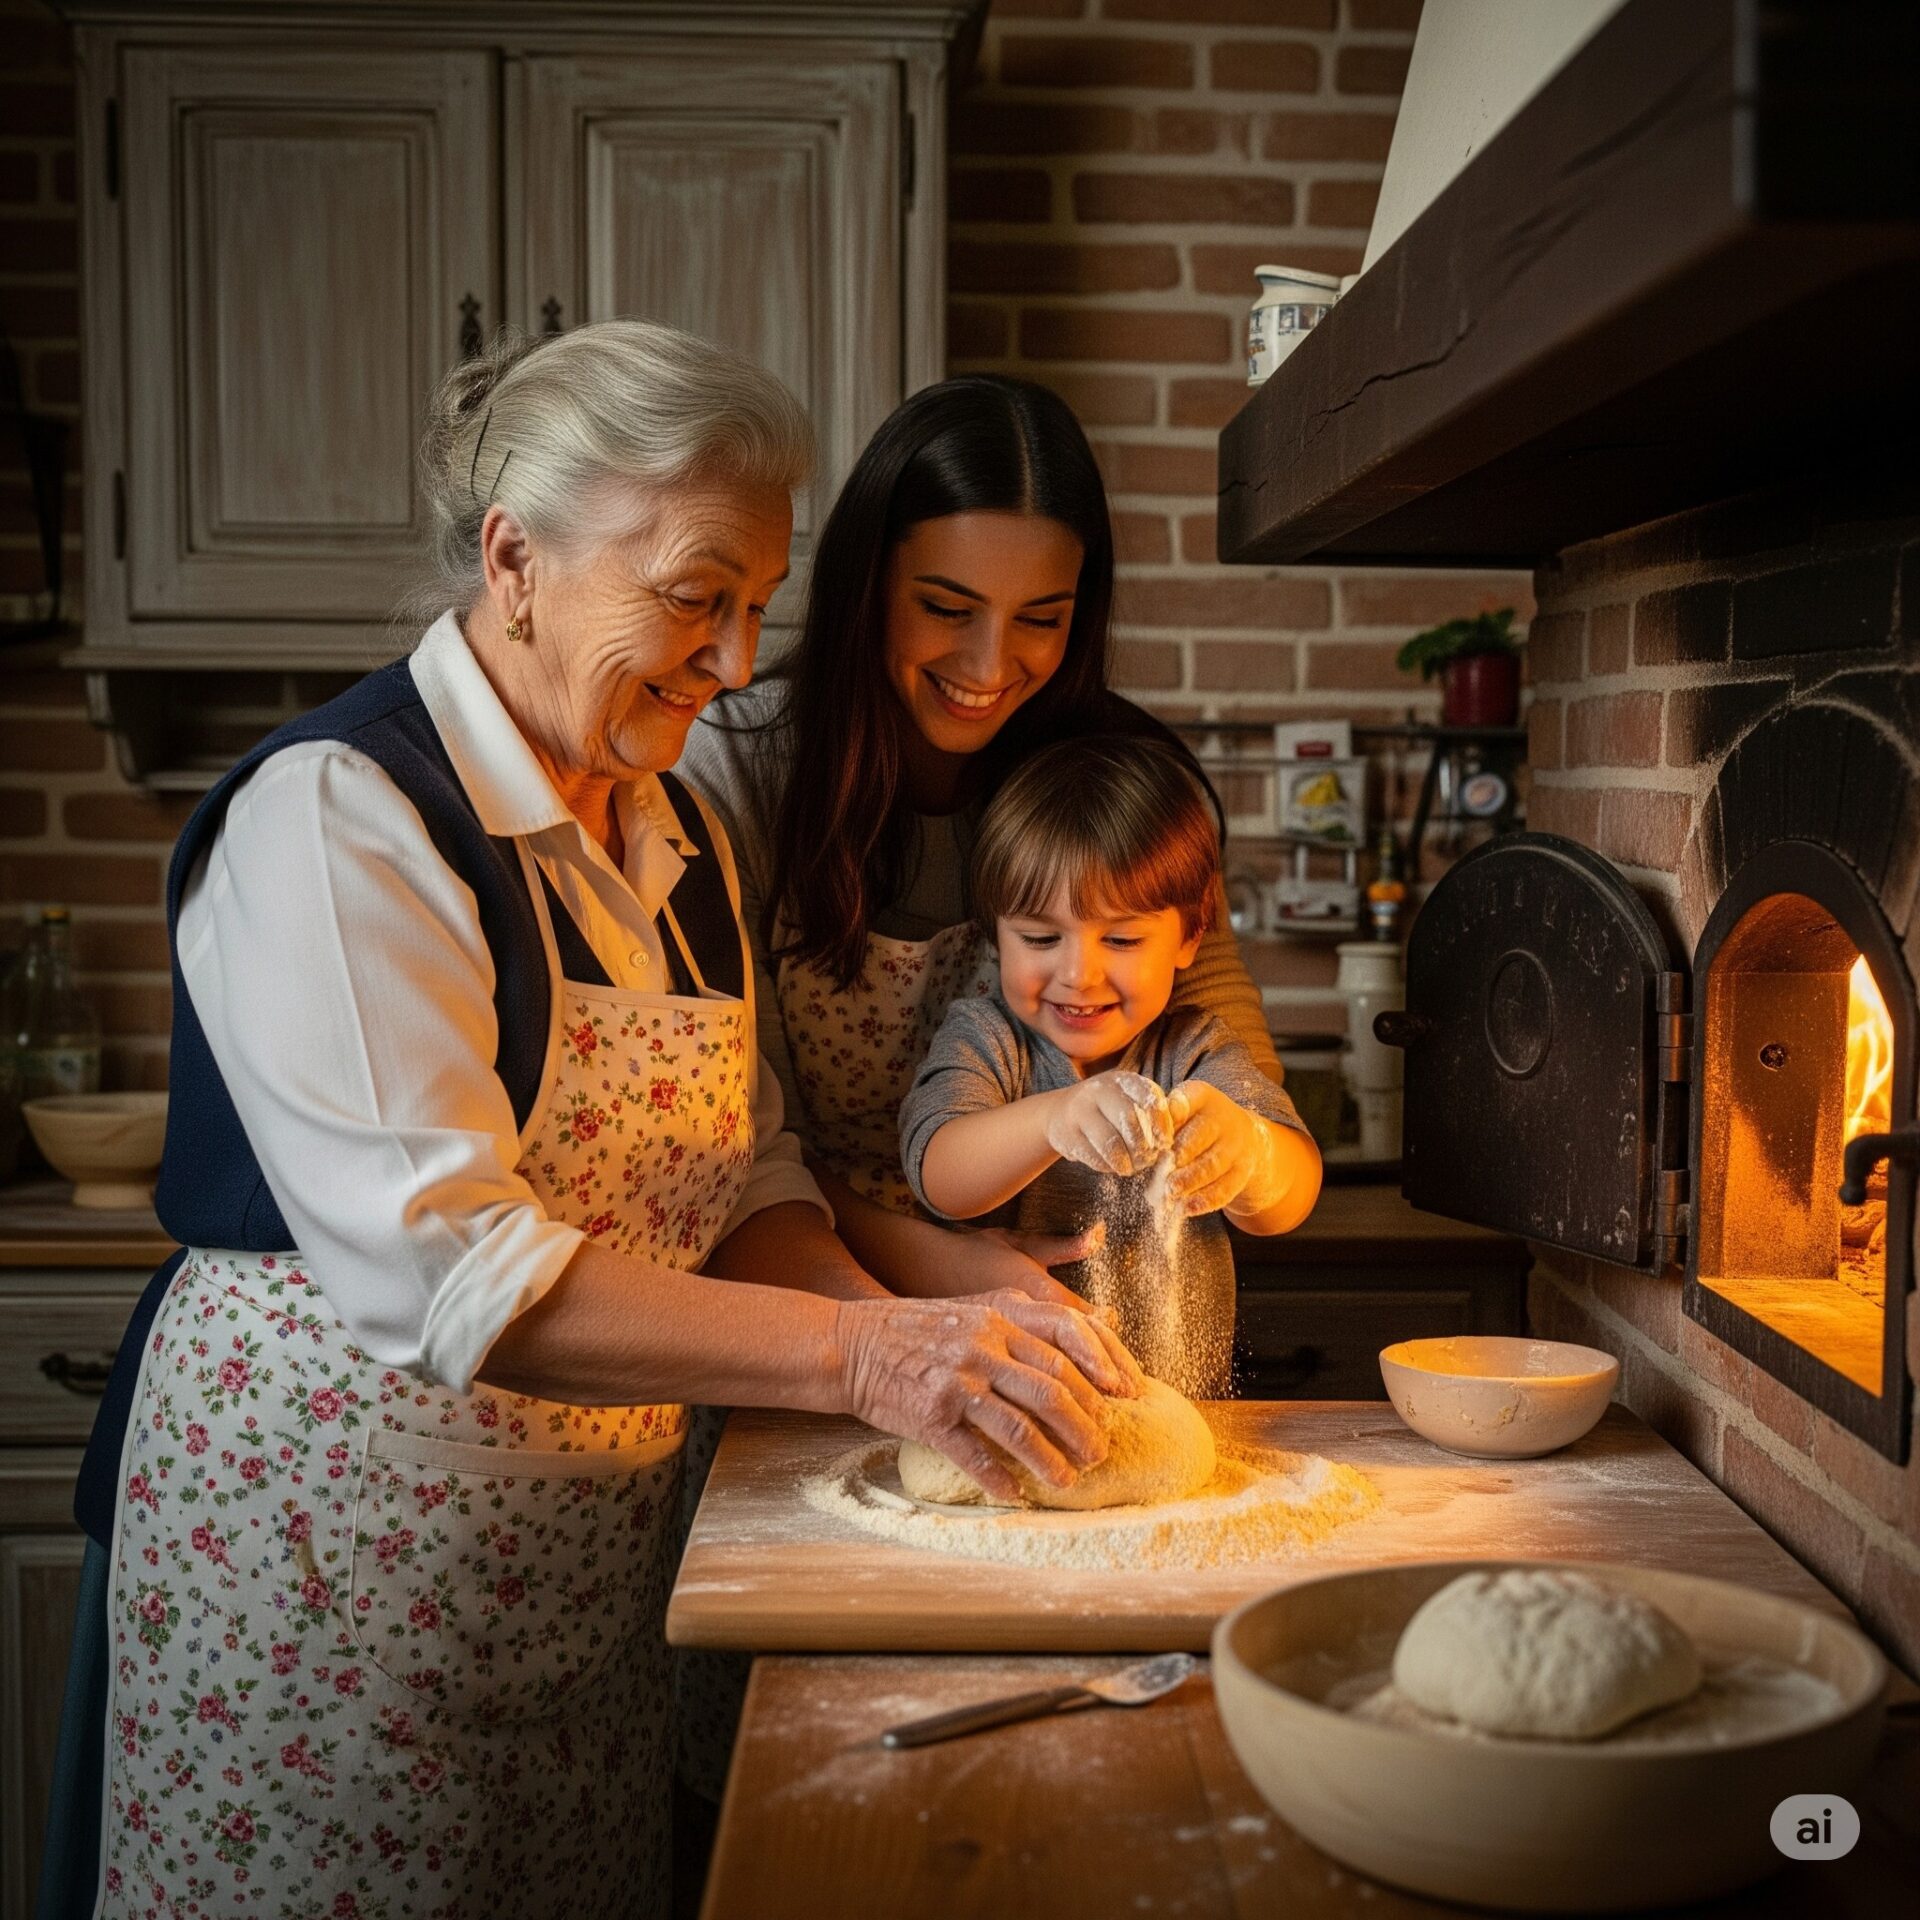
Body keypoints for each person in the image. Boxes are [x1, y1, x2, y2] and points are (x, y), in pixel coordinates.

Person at [40, 323, 1139, 1920]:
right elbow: (447, 1273)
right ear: (515, 559)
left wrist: (925, 1321)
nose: (738, 657)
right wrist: (868, 1358)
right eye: (696, 594)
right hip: (331, 1572)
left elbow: (744, 1166)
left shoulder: (670, 820)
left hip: (580, 1562)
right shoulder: (342, 815)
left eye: (759, 604)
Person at [681, 375, 1320, 1312]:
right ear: (868, 585)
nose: (989, 667)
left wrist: (1242, 1148)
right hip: (809, 1293)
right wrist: (937, 1273)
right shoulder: (733, 777)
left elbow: (1253, 1109)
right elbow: (739, 1147)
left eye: (1041, 621)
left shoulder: (1127, 790)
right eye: (946, 607)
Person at [899, 735, 1318, 1395]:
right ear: (993, 935)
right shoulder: (987, 1036)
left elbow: (1289, 1197)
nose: (1078, 974)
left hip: (1178, 1407)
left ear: (1187, 940)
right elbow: (940, 1173)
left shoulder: (1194, 1051)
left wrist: (1253, 1153)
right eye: (1039, 938)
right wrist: (1054, 1118)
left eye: (1121, 939)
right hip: (1003, 1397)